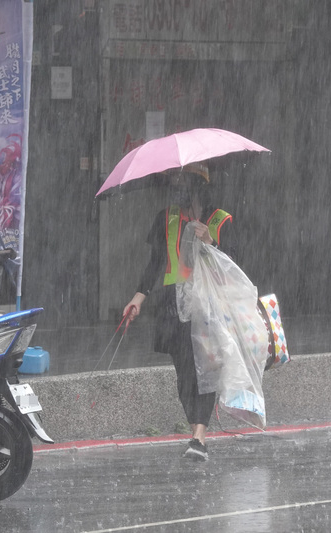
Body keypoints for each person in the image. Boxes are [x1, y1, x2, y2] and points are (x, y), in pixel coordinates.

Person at [122, 163, 237, 461]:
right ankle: (194, 431)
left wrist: (210, 242)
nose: (182, 189)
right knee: (185, 373)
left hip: (207, 305)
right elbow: (156, 263)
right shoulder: (167, 218)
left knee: (206, 370)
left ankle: (199, 437)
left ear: (202, 186)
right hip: (173, 305)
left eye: (189, 183)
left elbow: (235, 265)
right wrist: (138, 298)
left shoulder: (220, 220)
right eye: (179, 183)